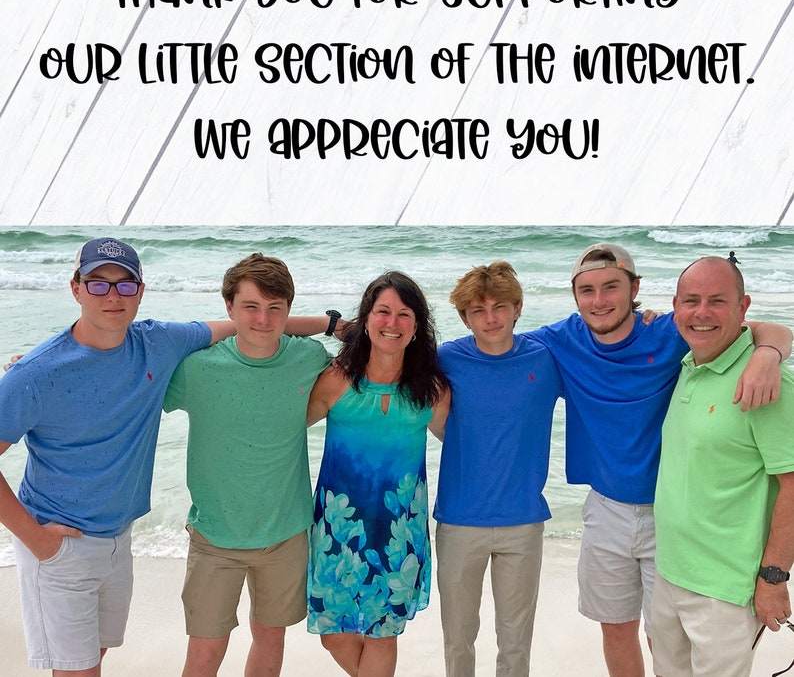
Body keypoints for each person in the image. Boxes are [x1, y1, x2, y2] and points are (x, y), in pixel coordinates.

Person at [527, 243, 791, 677]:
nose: (600, 300)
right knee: (615, 628)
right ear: (574, 296)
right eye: (587, 290)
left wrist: (768, 354)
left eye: (611, 286)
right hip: (605, 508)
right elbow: (497, 348)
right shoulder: (562, 340)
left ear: (635, 288)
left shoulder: (674, 332)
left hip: (668, 516)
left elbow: (761, 329)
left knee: (665, 636)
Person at [0, 237, 234, 676]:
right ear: (76, 289)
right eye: (98, 284)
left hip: (117, 538)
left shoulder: (157, 342)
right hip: (57, 542)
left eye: (126, 286)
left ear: (141, 292)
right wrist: (37, 539)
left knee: (95, 655)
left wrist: (333, 324)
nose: (113, 296)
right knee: (77, 670)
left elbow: (246, 322)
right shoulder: (35, 373)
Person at [162, 254, 335, 677]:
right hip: (214, 534)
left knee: (270, 637)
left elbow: (375, 367)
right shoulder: (196, 368)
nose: (263, 319)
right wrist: (37, 364)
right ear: (228, 308)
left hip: (285, 532)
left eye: (276, 308)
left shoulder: (310, 358)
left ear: (289, 311)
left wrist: (335, 326)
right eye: (250, 307)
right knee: (205, 651)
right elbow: (127, 383)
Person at [652, 257, 794, 677]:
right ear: (675, 306)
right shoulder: (688, 365)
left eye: (717, 301)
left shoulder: (767, 381)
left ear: (743, 307)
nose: (702, 312)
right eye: (691, 301)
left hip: (727, 592)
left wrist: (773, 577)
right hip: (668, 575)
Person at [305, 271, 449, 677]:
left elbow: (464, 445)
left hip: (400, 530)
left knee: (384, 633)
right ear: (365, 319)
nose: (392, 323)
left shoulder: (431, 390)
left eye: (405, 315)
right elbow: (284, 436)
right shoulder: (337, 380)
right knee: (333, 631)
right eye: (383, 312)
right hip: (337, 529)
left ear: (417, 326)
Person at [431, 261, 562, 677]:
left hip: (523, 521)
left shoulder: (546, 360)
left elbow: (604, 355)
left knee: (515, 640)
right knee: (458, 637)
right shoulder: (445, 359)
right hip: (459, 520)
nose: (491, 319)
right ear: (464, 316)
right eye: (478, 310)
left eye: (499, 307)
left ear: (518, 308)